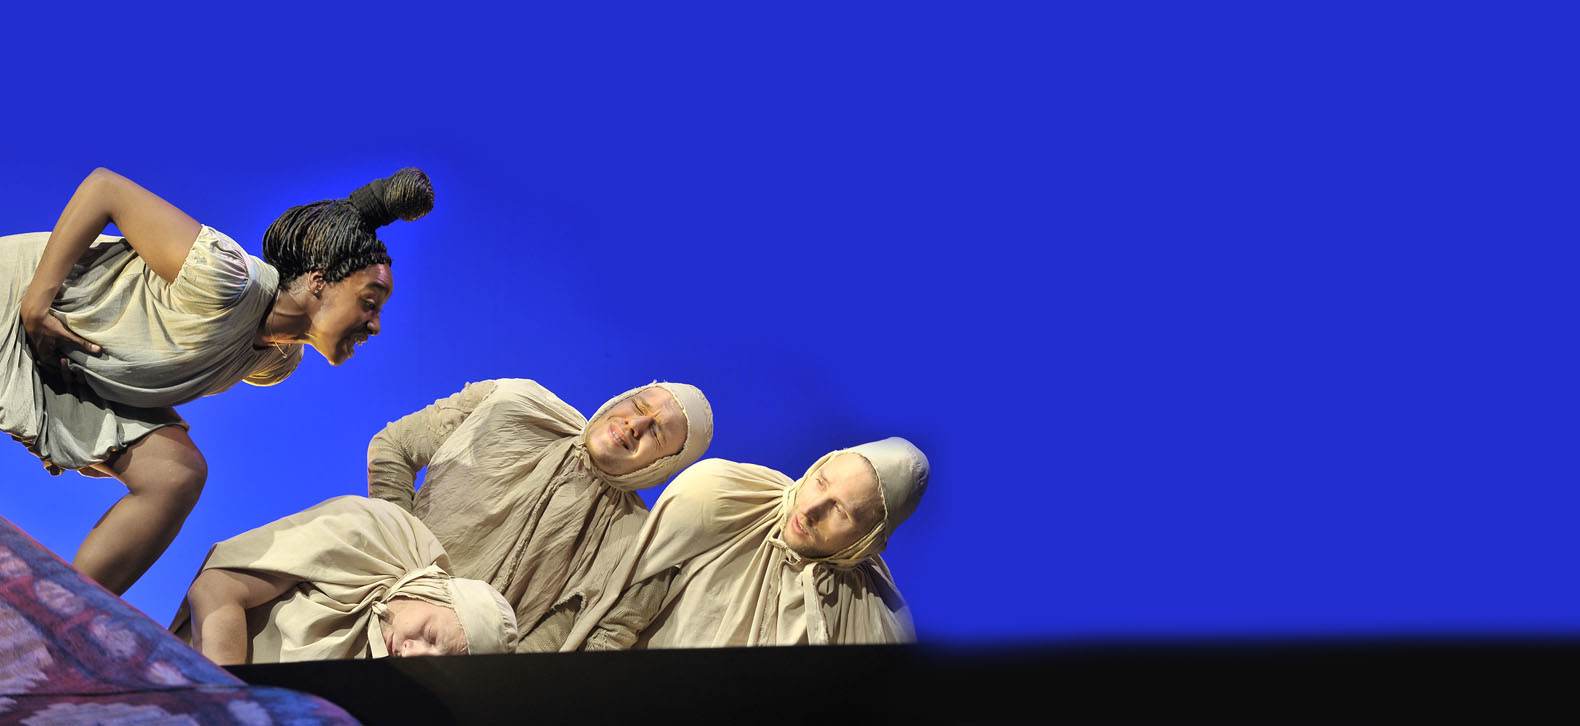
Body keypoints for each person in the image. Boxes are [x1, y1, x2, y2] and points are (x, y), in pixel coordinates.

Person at [0, 166, 432, 595]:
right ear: (319, 282)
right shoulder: (226, 279)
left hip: (73, 369)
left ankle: (65, 611)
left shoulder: (275, 362)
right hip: (19, 303)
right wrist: (36, 304)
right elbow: (105, 189)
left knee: (175, 475)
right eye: (369, 302)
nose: (375, 325)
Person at [366, 377, 712, 651]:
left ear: (664, 465)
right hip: (366, 611)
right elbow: (393, 447)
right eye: (638, 406)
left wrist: (480, 673)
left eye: (657, 433)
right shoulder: (512, 405)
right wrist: (400, 567)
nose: (636, 424)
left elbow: (583, 643)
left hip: (457, 686)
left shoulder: (637, 550)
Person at [560, 437, 929, 649]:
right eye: (821, 482)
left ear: (869, 540)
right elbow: (614, 616)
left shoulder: (880, 628)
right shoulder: (721, 497)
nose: (810, 510)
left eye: (841, 511)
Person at [170, 496, 518, 665]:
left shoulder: (398, 688)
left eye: (434, 661)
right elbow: (216, 589)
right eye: (430, 635)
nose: (412, 653)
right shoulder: (373, 535)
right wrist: (227, 708)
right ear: (433, 594)